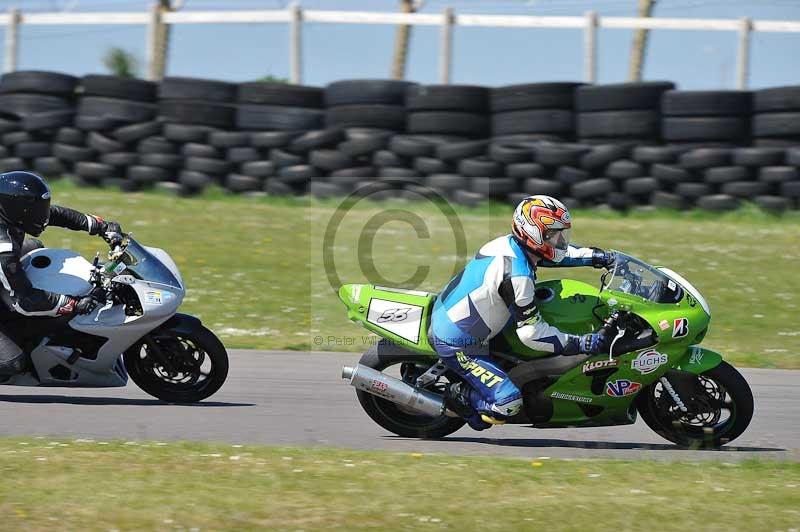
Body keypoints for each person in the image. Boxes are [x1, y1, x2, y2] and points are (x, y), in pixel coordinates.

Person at [431, 195, 615, 430]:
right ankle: (461, 396)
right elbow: (532, 334)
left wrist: (601, 257)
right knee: (507, 405)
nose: (560, 240)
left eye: (562, 233)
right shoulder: (517, 276)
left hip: (467, 314)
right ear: (533, 234)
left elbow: (559, 256)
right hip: (460, 342)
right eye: (552, 234)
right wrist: (583, 343)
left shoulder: (510, 244)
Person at [0, 171, 122, 378]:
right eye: (35, 209)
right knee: (13, 362)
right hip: (13, 282)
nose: (41, 215)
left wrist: (100, 226)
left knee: (34, 247)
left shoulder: (10, 215)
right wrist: (73, 303)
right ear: (16, 209)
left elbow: (54, 214)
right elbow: (26, 301)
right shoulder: (3, 248)